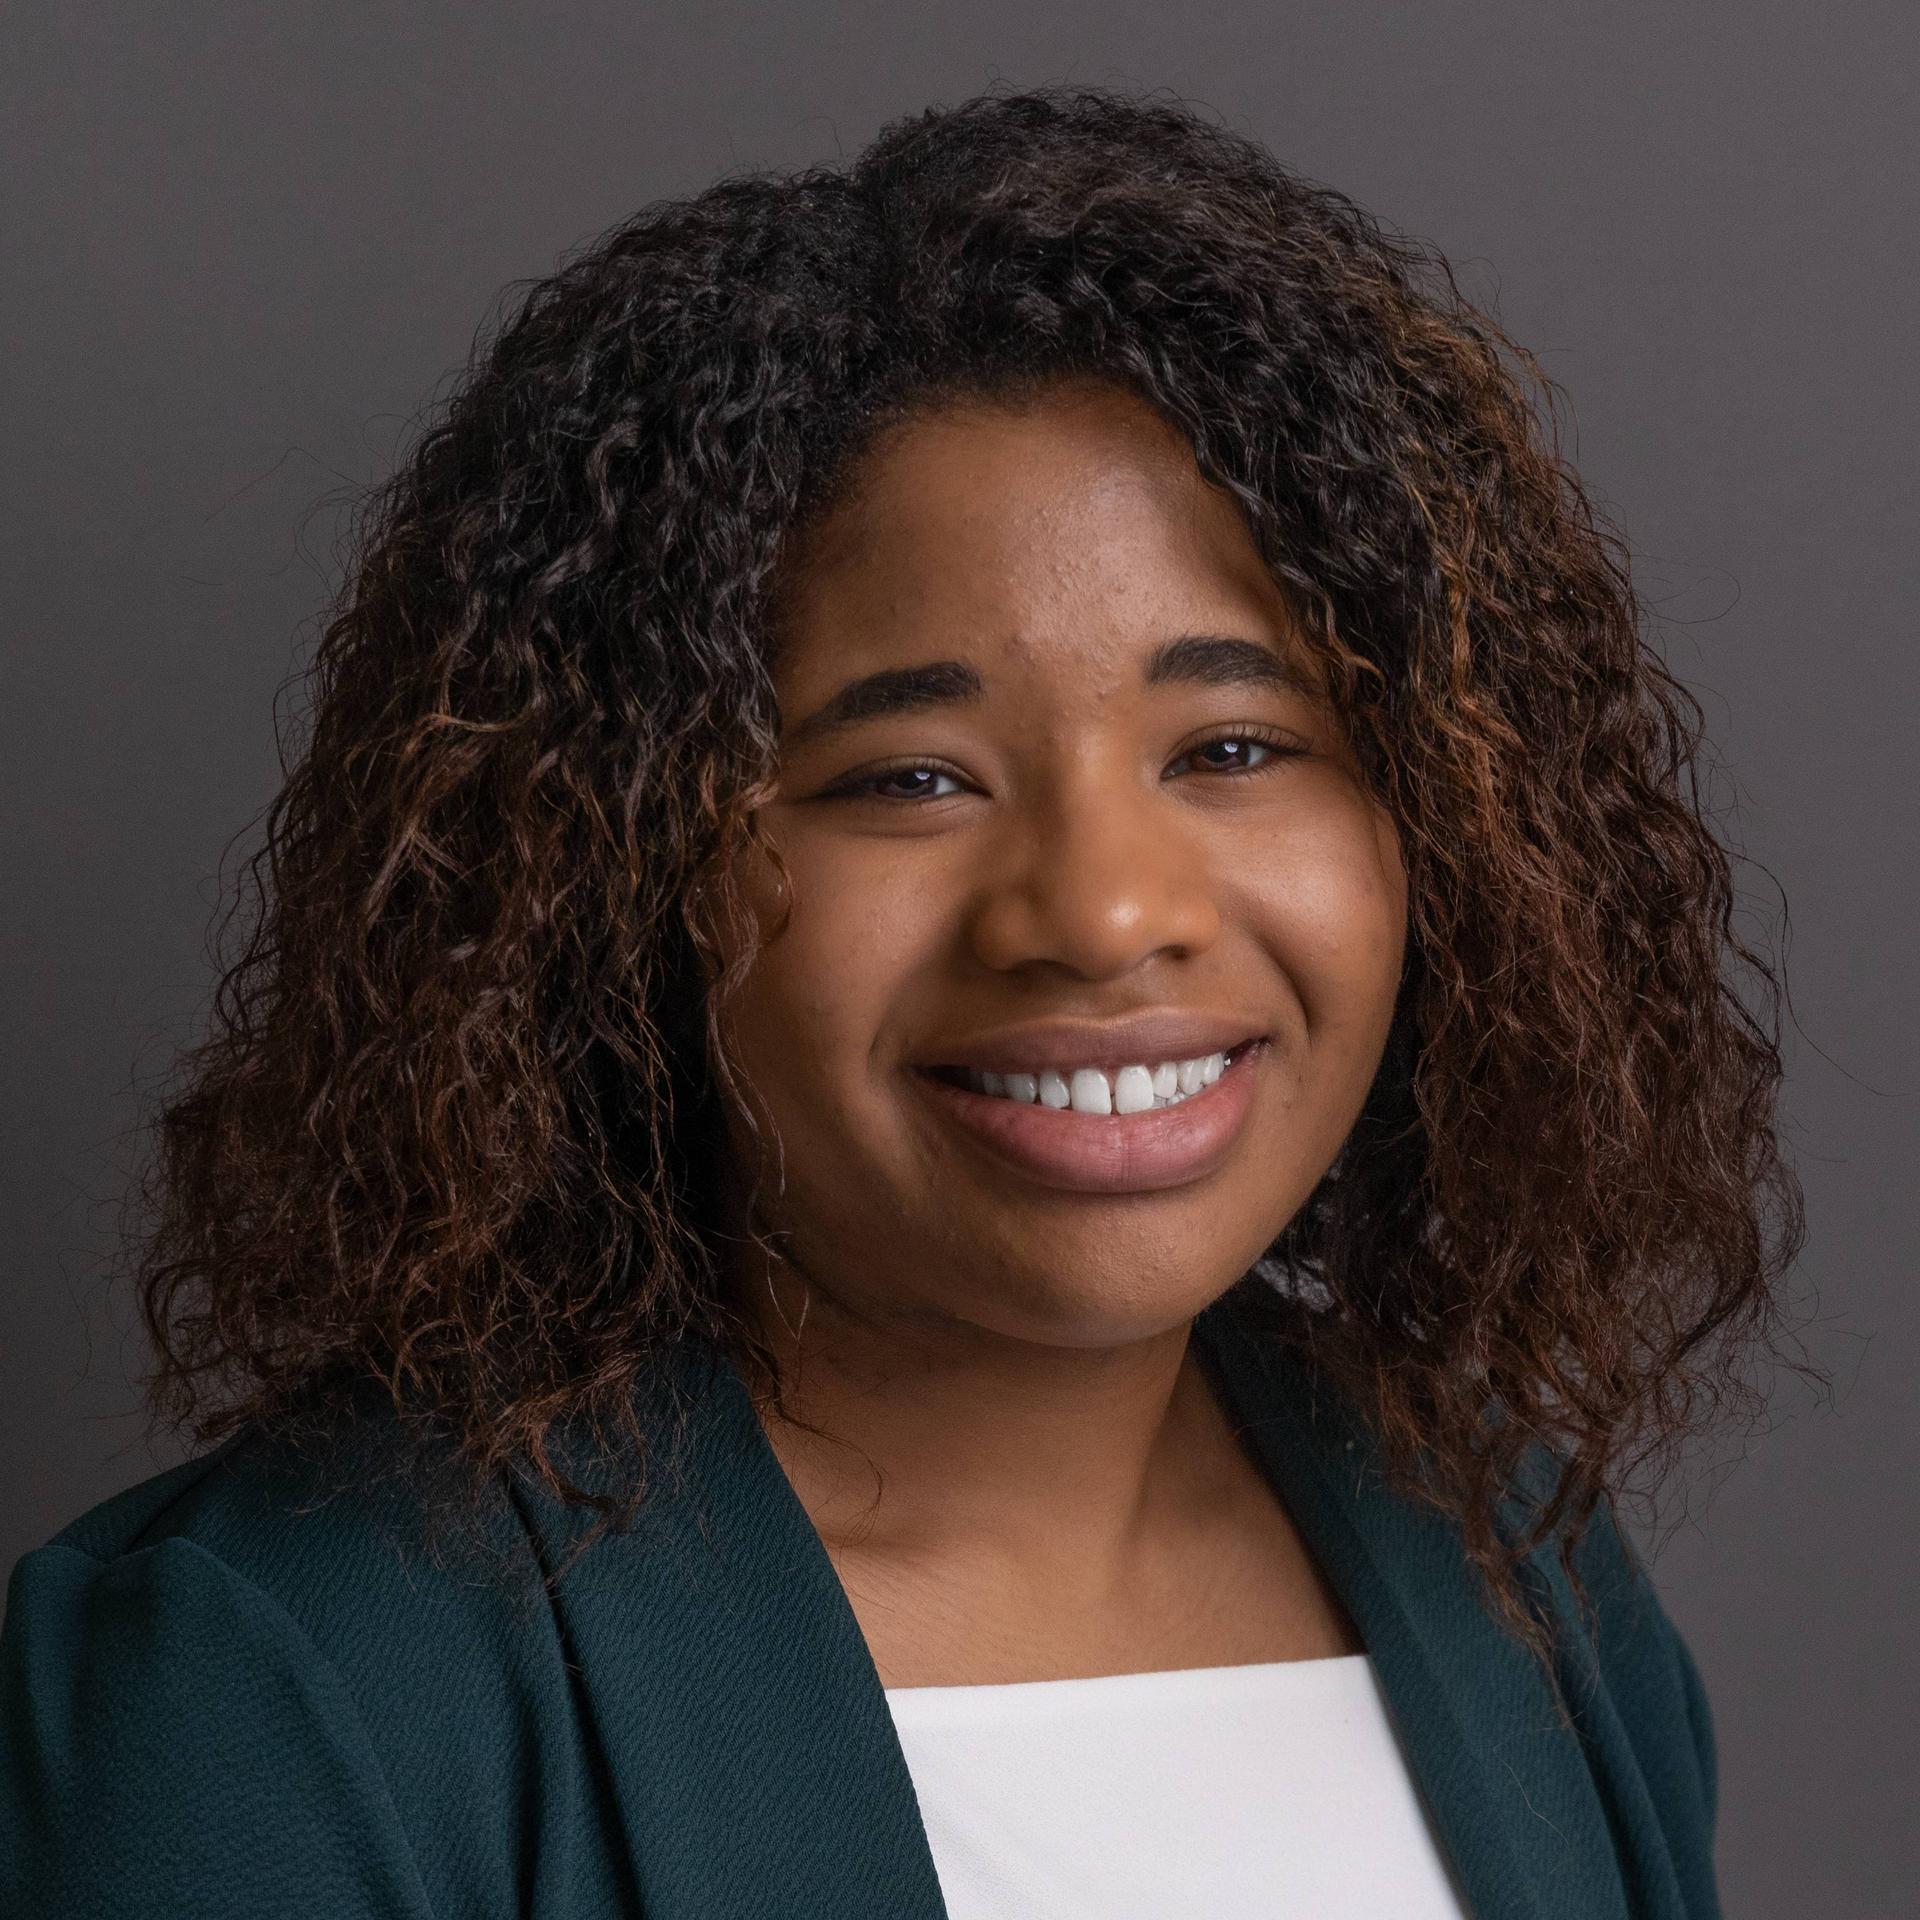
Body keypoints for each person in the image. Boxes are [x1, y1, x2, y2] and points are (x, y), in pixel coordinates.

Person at [0, 84, 1803, 1919]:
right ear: (613, 872)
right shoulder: (285, 1688)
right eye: (910, 778)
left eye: (1234, 746)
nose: (1103, 914)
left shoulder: (1519, 1573)